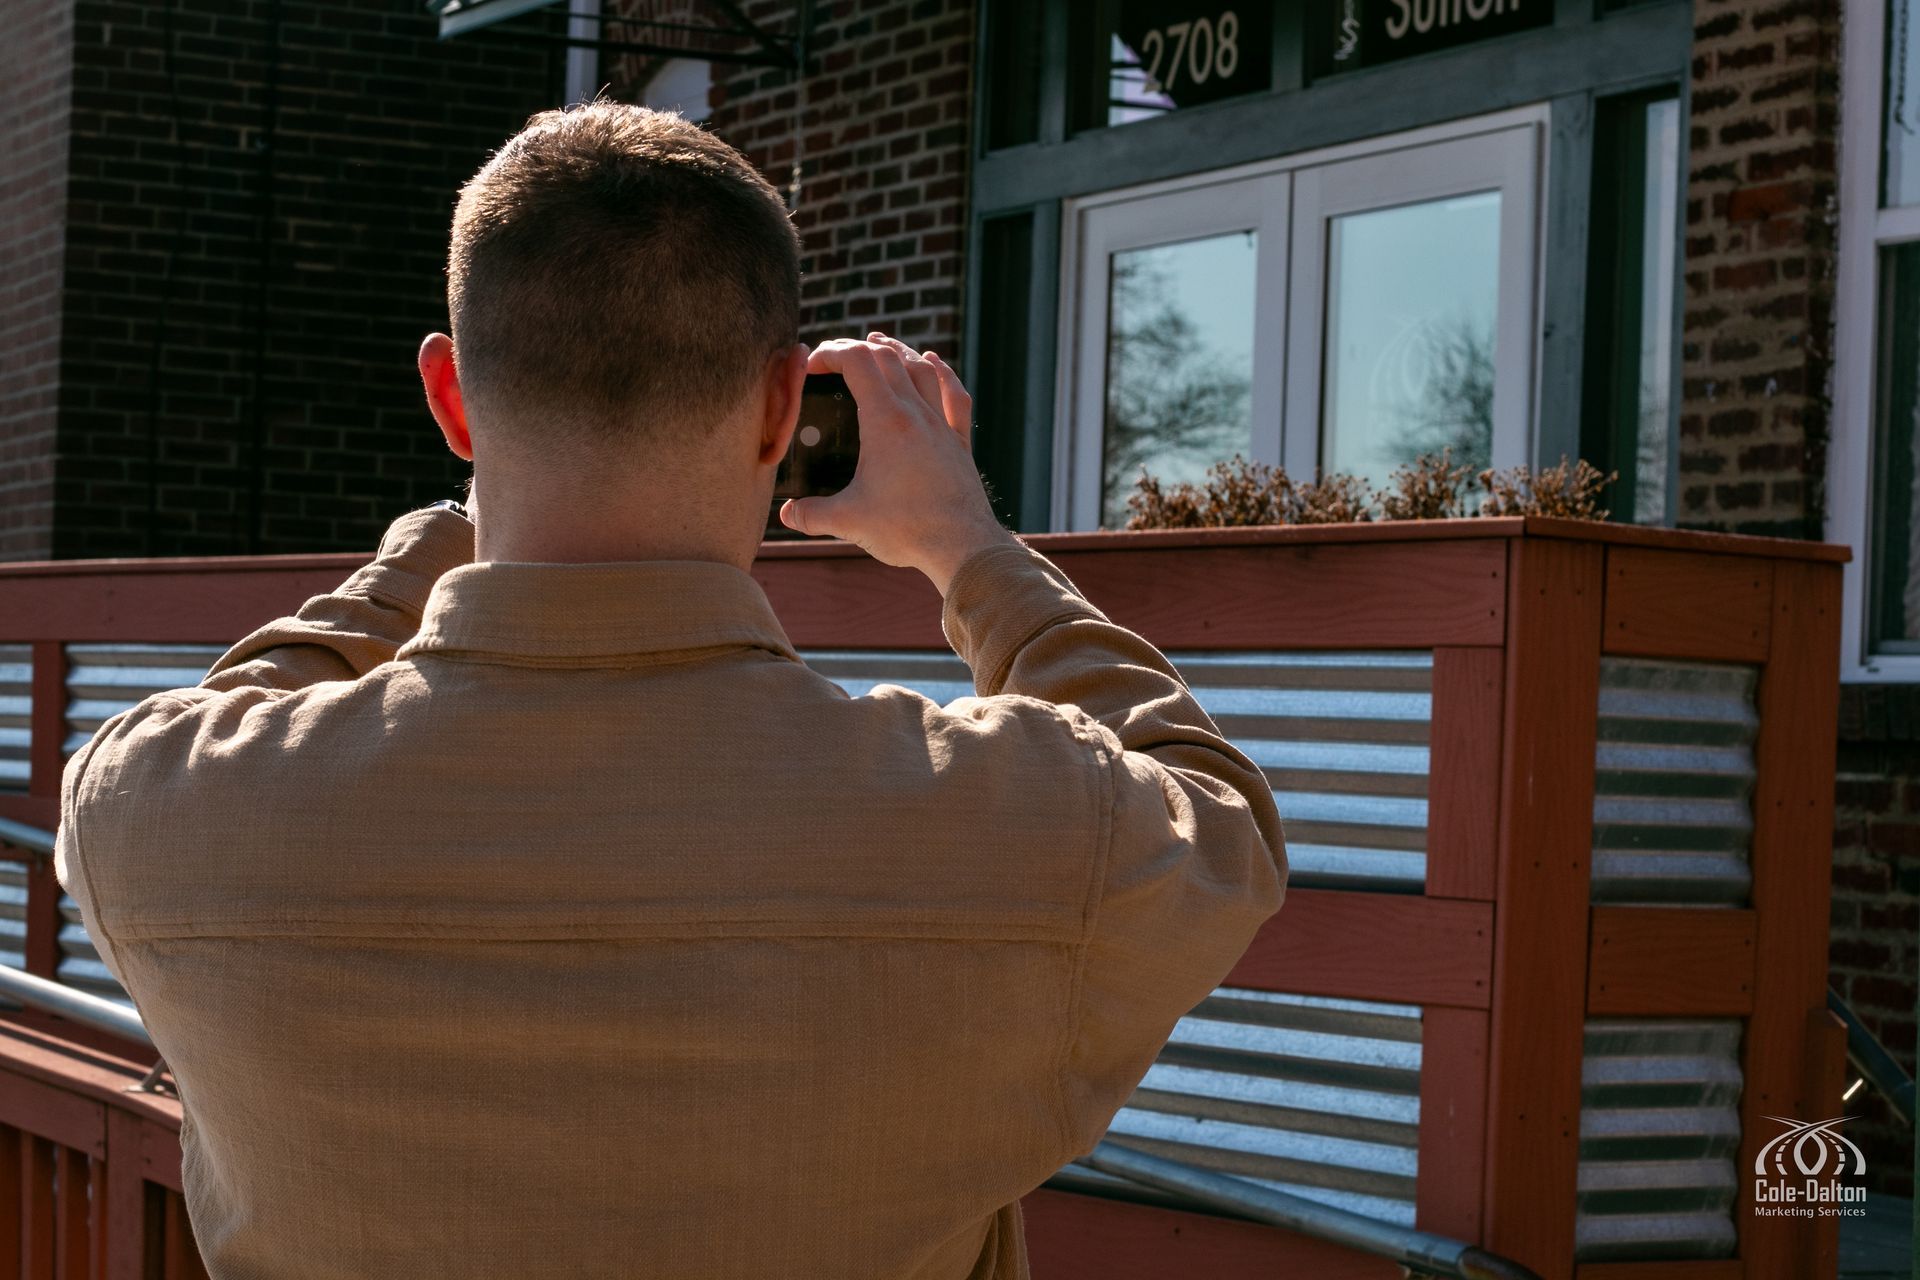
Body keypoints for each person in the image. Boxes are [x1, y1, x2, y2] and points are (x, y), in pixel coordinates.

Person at [55, 101, 1286, 1279]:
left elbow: (222, 714)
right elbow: (1217, 818)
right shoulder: (1009, 823)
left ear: (451, 398)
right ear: (779, 405)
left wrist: (433, 545)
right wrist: (970, 544)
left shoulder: (162, 817)